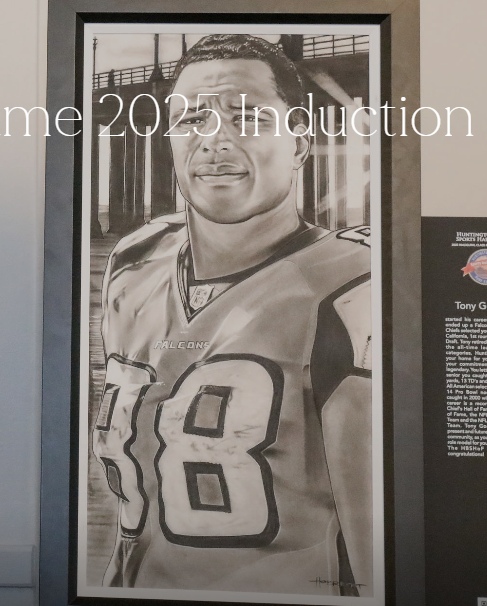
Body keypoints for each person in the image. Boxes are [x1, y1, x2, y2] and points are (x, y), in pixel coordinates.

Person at [90, 34, 373, 597]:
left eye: (245, 115)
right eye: (191, 117)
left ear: (299, 142)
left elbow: (374, 554)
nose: (213, 138)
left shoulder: (350, 288)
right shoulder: (135, 262)